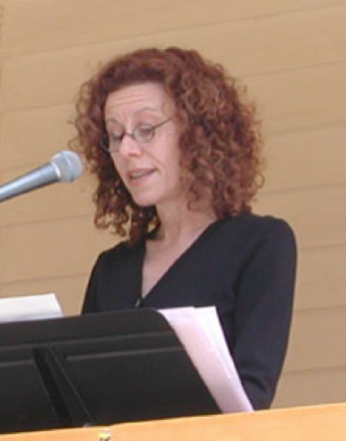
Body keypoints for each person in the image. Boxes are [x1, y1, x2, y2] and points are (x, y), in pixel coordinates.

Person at [71, 47, 297, 410]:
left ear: (199, 134)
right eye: (115, 135)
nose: (127, 149)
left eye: (146, 130)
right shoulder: (111, 269)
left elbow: (253, 393)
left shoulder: (260, 244)